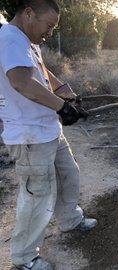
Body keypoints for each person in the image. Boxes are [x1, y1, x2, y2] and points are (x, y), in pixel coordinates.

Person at [0, 1, 97, 269]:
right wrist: (61, 106)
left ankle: (70, 220)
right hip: (29, 134)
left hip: (46, 128)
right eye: (49, 26)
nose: (50, 33)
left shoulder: (27, 41)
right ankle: (24, 257)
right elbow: (20, 81)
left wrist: (65, 90)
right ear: (29, 13)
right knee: (37, 195)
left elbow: (40, 71)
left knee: (69, 174)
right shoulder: (9, 38)